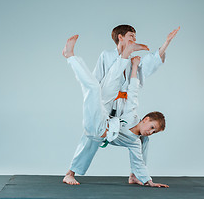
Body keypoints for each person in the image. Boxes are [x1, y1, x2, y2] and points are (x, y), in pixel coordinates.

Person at [63, 25, 180, 185]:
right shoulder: (107, 55)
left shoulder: (135, 63)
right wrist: (96, 98)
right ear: (120, 37)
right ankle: (70, 173)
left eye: (135, 36)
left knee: (142, 139)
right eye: (131, 36)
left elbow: (150, 63)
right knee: (92, 135)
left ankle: (135, 175)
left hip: (124, 109)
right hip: (105, 101)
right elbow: (96, 79)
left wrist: (166, 43)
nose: (134, 38)